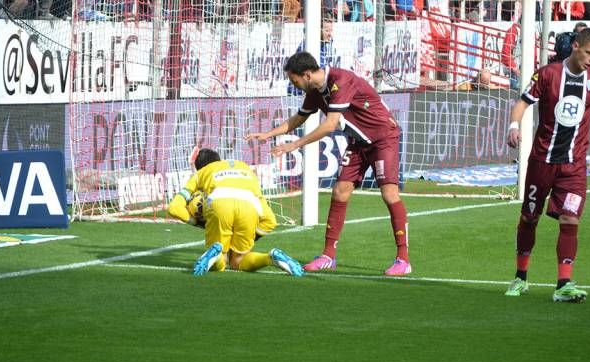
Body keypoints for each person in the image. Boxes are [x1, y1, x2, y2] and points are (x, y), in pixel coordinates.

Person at [246, 51, 412, 276]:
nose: (294, 85)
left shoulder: (341, 80)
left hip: (384, 137)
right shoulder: (314, 90)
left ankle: (403, 259)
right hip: (359, 142)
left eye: (294, 81)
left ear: (306, 75)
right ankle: (328, 256)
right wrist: (268, 134)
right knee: (340, 192)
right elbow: (299, 118)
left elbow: (330, 124)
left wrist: (296, 145)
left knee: (389, 194)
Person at [505, 28, 590, 303]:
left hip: (574, 166)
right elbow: (522, 103)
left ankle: (564, 284)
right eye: (589, 53)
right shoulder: (547, 74)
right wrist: (514, 125)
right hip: (542, 161)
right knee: (529, 218)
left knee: (570, 218)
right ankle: (520, 278)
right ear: (575, 47)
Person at [167, 148, 304, 277]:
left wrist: (197, 221)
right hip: (249, 206)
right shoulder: (245, 169)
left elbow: (174, 208)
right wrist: (252, 235)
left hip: (219, 203)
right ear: (219, 160)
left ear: (200, 168)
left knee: (222, 261)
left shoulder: (201, 173)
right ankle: (270, 258)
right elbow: (271, 221)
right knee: (238, 261)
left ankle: (216, 256)